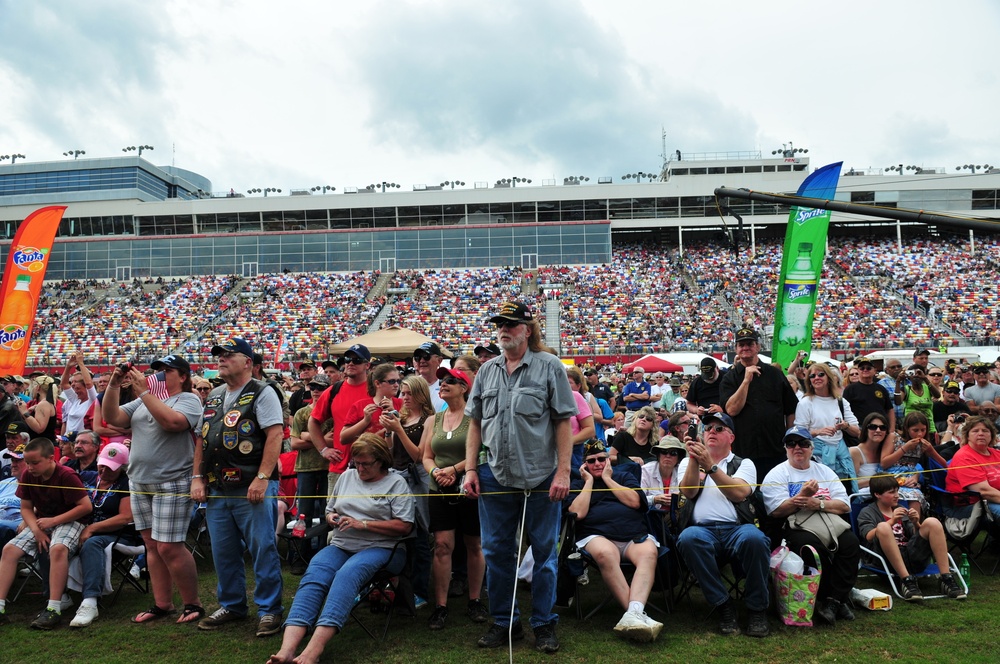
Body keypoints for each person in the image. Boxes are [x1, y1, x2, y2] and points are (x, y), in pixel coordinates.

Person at [463, 301, 576, 653]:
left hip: (543, 477)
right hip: (495, 474)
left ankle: (543, 624)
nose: (504, 330)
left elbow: (563, 422)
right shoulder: (486, 371)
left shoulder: (550, 367)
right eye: (500, 324)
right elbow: (475, 424)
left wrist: (562, 471)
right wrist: (469, 468)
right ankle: (504, 622)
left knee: (543, 553)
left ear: (528, 329)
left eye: (511, 324)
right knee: (496, 551)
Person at [267, 434, 415, 664]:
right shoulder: (346, 477)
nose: (360, 468)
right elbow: (329, 509)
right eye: (357, 462)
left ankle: (312, 651)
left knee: (347, 575)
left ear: (381, 461)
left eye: (366, 463)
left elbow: (404, 526)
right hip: (342, 544)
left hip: (383, 548)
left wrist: (363, 524)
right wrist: (332, 517)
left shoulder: (396, 483)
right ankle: (287, 649)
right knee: (314, 574)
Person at [102, 354, 205, 625]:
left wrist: (146, 393)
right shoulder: (144, 399)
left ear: (182, 376)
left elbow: (173, 423)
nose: (158, 374)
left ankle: (193, 603)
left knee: (169, 547)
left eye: (165, 371)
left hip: (172, 481)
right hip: (140, 481)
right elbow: (111, 417)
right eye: (156, 370)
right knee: (152, 545)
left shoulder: (189, 399)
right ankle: (163, 604)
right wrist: (114, 384)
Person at [192, 338, 284, 636]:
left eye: (229, 355)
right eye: (218, 354)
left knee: (262, 548)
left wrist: (262, 477)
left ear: (247, 362)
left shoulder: (263, 391)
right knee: (223, 551)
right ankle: (232, 605)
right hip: (219, 487)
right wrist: (198, 477)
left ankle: (270, 610)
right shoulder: (215, 395)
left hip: (250, 486)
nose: (221, 359)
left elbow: (274, 435)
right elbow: (201, 441)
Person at [676, 412, 771, 638]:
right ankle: (723, 604)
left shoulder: (743, 463)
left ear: (731, 437)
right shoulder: (687, 462)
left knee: (755, 539)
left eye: (719, 429)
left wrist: (710, 467)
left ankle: (757, 609)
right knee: (688, 538)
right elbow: (688, 492)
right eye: (707, 428)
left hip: (737, 528)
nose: (711, 432)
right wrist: (693, 458)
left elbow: (739, 493)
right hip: (702, 529)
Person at [566, 440, 663, 642]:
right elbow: (577, 513)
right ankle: (636, 614)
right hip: (597, 536)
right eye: (591, 461)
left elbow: (635, 501)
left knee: (649, 553)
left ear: (608, 460)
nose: (598, 464)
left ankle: (632, 615)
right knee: (605, 553)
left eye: (602, 459)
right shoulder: (578, 484)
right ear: (584, 465)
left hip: (633, 535)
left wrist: (609, 480)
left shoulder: (624, 476)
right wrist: (589, 483)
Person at [762, 427, 860, 626]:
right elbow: (775, 511)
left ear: (811, 448)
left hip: (827, 520)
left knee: (851, 544)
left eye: (803, 443)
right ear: (786, 448)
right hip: (795, 524)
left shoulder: (824, 471)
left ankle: (834, 601)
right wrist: (802, 497)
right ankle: (830, 598)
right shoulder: (777, 473)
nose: (797, 448)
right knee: (811, 548)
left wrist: (819, 504)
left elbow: (844, 505)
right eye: (792, 444)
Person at [0, 437, 92, 629]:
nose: (30, 467)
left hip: (70, 520)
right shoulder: (28, 476)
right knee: (9, 550)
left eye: (35, 463)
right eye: (28, 463)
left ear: (51, 458)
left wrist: (54, 521)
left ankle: (54, 608)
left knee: (57, 548)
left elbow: (85, 507)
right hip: (42, 521)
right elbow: (26, 508)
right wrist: (36, 530)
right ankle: (0, 606)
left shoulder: (67, 475)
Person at [421, 367, 486, 630]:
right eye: (442, 380)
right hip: (439, 489)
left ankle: (475, 599)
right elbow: (425, 456)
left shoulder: (475, 418)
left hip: (467, 486)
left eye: (450, 381)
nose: (443, 384)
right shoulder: (433, 420)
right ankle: (441, 605)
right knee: (442, 546)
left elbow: (481, 452)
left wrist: (455, 469)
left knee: (473, 544)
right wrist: (436, 471)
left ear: (464, 387)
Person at [857, 474, 966, 601]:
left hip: (910, 555)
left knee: (932, 522)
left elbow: (914, 536)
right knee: (883, 527)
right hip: (885, 560)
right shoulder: (867, 512)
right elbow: (868, 536)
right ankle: (906, 580)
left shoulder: (900, 509)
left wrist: (915, 522)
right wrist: (892, 521)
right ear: (877, 494)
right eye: (891, 492)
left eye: (897, 491)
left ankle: (946, 578)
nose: (897, 495)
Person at [68, 442, 137, 627]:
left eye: (111, 468)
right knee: (58, 539)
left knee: (92, 543)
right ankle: (59, 595)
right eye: (102, 464)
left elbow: (125, 517)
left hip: (121, 534)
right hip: (86, 528)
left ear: (122, 468)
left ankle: (90, 601)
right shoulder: (89, 477)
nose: (104, 470)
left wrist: (91, 528)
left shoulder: (126, 482)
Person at [379, 374, 434, 604]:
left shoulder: (429, 419)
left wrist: (398, 429)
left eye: (410, 393)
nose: (405, 397)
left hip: (418, 480)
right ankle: (399, 587)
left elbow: (419, 456)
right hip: (398, 479)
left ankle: (420, 589)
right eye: (403, 392)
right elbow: (393, 453)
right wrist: (389, 432)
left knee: (421, 536)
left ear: (421, 394)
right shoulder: (400, 416)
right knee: (400, 536)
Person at [720, 327, 798, 483]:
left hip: (775, 450)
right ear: (736, 349)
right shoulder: (730, 378)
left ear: (758, 347)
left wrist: (789, 439)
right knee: (747, 497)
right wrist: (746, 381)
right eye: (741, 345)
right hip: (743, 452)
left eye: (750, 343)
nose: (745, 348)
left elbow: (791, 409)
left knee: (776, 493)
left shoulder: (775, 374)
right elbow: (731, 410)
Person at [309, 344, 372, 493]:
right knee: (335, 514)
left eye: (356, 360)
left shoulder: (376, 389)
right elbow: (313, 421)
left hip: (372, 467)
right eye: (348, 359)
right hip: (340, 467)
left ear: (367, 365)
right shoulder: (334, 391)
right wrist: (323, 449)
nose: (350, 363)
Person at [794, 362, 860, 493]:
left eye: (820, 374)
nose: (816, 378)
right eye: (812, 376)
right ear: (809, 381)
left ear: (828, 377)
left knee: (845, 490)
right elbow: (798, 433)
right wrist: (818, 432)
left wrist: (845, 426)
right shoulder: (805, 403)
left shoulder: (841, 401)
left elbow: (856, 431)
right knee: (823, 492)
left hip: (841, 455)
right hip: (816, 456)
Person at [288, 374, 331, 575]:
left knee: (326, 514)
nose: (315, 390)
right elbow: (294, 443)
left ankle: (323, 557)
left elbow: (336, 440)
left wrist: (308, 435)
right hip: (305, 468)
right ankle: (300, 557)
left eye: (320, 387)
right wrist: (321, 439)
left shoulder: (332, 413)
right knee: (302, 515)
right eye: (313, 386)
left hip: (327, 467)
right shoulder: (301, 413)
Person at [880, 412, 947, 519]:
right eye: (915, 430)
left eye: (923, 430)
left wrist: (932, 451)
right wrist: (905, 448)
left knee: (916, 497)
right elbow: (884, 463)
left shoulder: (923, 444)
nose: (920, 434)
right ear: (907, 429)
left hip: (910, 478)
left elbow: (944, 465)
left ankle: (914, 528)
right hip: (890, 476)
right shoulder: (894, 437)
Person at [945, 415, 1000, 519]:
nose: (980, 434)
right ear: (967, 436)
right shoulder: (964, 456)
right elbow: (984, 491)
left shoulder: (997, 454)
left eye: (985, 431)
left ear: (992, 435)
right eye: (975, 431)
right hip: (971, 505)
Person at [339, 363, 402, 447]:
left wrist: (395, 413)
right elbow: (343, 439)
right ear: (377, 384)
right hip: (366, 456)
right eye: (391, 381)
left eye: (398, 381)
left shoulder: (402, 404)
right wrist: (365, 421)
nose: (396, 385)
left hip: (395, 457)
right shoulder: (361, 405)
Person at [842, 357, 895, 434]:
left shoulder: (881, 388)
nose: (865, 370)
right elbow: (844, 411)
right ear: (858, 371)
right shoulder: (850, 389)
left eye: (868, 368)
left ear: (874, 371)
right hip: (860, 430)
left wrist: (891, 429)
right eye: (862, 368)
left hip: (880, 429)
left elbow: (890, 409)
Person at [641, 436, 685, 518]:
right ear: (658, 455)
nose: (668, 456)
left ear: (678, 458)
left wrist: (679, 499)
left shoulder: (682, 471)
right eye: (664, 452)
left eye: (673, 453)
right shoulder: (646, 470)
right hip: (650, 517)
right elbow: (638, 499)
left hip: (677, 517)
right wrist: (655, 499)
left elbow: (689, 499)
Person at [894, 364, 939, 440]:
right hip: (912, 429)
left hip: (929, 427)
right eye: (912, 373)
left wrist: (925, 378)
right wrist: (898, 382)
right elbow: (898, 402)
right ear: (909, 375)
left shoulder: (927, 387)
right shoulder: (906, 389)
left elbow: (937, 395)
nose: (916, 376)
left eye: (918, 373)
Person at [851, 412, 893, 493]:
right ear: (865, 430)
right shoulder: (854, 452)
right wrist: (877, 480)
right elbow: (851, 484)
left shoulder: (887, 452)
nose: (878, 430)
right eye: (873, 427)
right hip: (863, 499)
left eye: (883, 428)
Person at [565, 366, 597, 467]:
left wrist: (567, 442)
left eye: (568, 382)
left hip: (572, 450)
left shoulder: (575, 397)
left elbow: (590, 429)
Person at [59, 353, 97, 435]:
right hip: (69, 441)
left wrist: (80, 363)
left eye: (76, 381)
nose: (72, 384)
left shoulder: (93, 399)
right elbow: (64, 384)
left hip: (82, 440)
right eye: (72, 382)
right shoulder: (75, 399)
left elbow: (89, 384)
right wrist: (68, 366)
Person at [16, 376, 57, 442]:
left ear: (38, 387)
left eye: (33, 386)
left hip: (42, 446)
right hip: (41, 445)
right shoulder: (45, 403)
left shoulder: (44, 404)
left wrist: (24, 412)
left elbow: (39, 429)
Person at [0, 445, 25, 546]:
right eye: (12, 460)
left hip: (12, 528)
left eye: (18, 461)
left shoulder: (39, 485)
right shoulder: (4, 483)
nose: (13, 465)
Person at [413, 342, 446, 411]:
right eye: (418, 358)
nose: (421, 361)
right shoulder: (411, 385)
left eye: (426, 357)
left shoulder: (448, 384)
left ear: (439, 360)